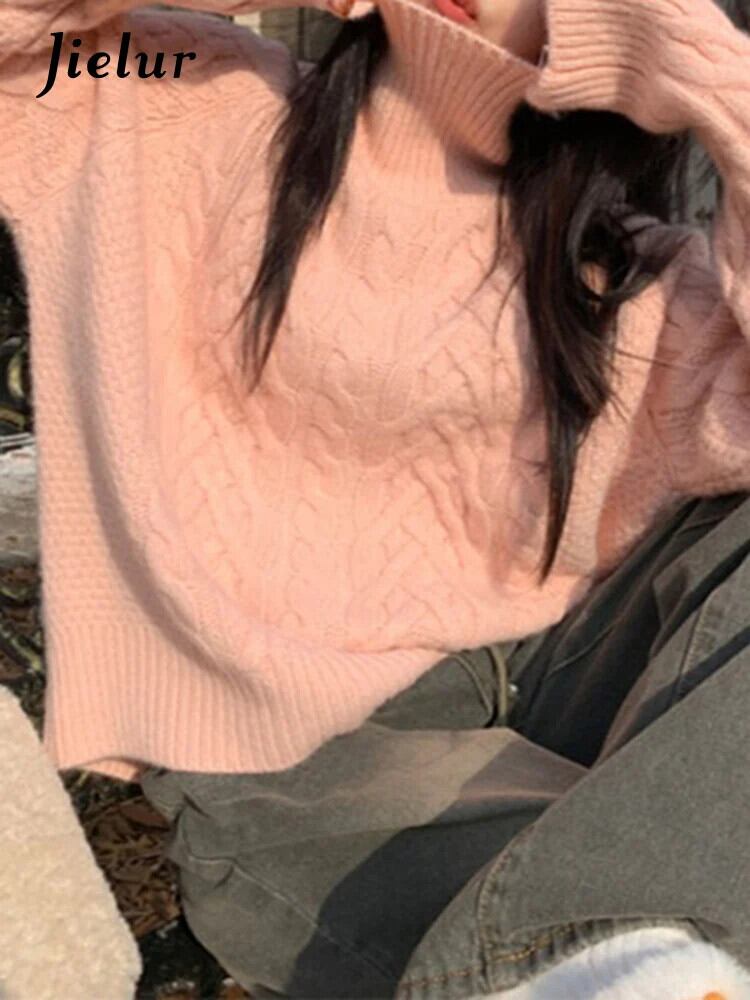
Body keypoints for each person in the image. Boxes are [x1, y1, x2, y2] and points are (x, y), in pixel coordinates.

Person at [3, 0, 750, 994]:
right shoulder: (185, 93)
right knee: (649, 908)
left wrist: (707, 74)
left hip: (567, 666)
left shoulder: (638, 277)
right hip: (291, 745)